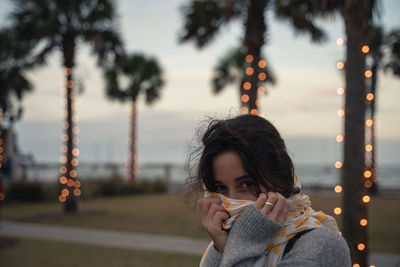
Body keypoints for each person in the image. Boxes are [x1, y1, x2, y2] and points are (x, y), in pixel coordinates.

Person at [187, 114, 351, 267]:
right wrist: (220, 249)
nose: (232, 201)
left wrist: (242, 245)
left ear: (279, 177)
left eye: (246, 184)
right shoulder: (227, 240)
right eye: (220, 188)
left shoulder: (321, 244)